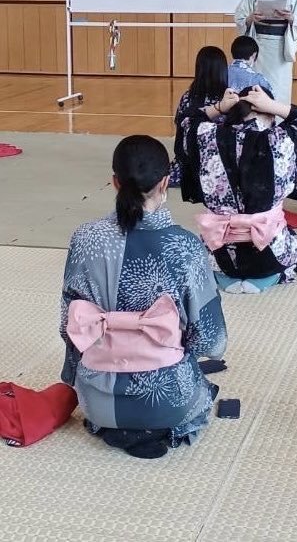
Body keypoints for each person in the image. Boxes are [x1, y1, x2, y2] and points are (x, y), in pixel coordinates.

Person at [60, 136, 227, 459]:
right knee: (191, 376)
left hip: (98, 402)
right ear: (165, 182)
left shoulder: (84, 238)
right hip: (169, 404)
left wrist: (75, 377)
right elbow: (211, 341)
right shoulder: (185, 246)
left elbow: (69, 325)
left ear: (114, 182)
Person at [179, 86, 297, 293]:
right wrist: (272, 105)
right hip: (269, 251)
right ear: (269, 114)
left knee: (214, 258)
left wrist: (219, 107)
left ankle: (225, 278)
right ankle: (264, 279)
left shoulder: (206, 136)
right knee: (293, 251)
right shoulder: (280, 140)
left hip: (220, 253)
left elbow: (186, 120)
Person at [172, 46, 237, 200]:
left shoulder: (188, 96)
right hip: (221, 161)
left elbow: (180, 128)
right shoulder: (229, 97)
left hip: (191, 160)